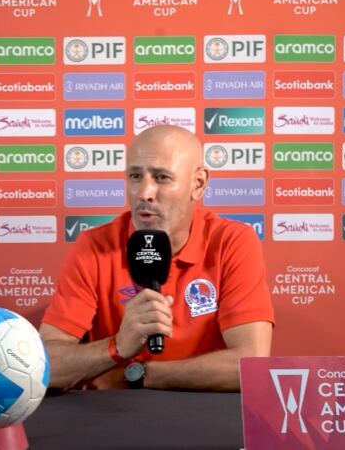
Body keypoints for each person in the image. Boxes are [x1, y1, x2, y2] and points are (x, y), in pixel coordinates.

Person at [39, 125, 274, 391]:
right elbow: (45, 367)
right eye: (135, 176)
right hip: (116, 413)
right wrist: (117, 346)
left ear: (198, 184)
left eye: (161, 177)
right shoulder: (95, 246)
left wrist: (137, 375)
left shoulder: (231, 241)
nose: (144, 193)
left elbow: (250, 365)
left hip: (204, 410)